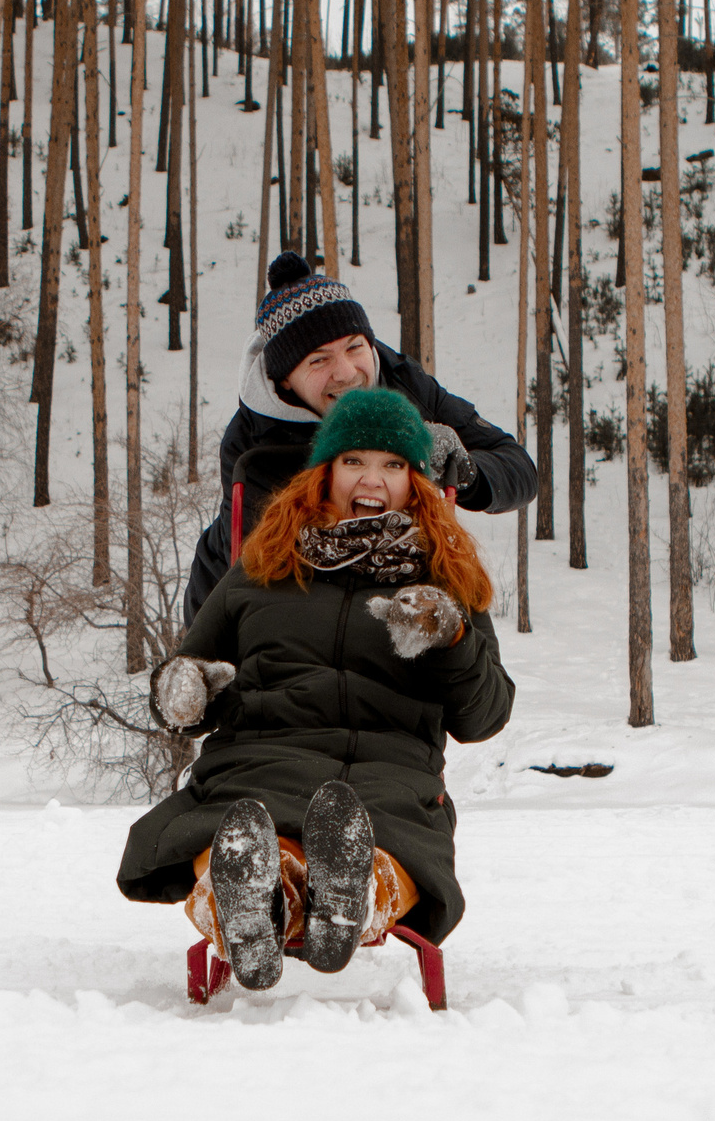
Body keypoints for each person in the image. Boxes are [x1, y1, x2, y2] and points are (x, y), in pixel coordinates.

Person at [119, 388, 515, 990]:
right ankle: (262, 895)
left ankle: (346, 893)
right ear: (324, 472)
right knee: (239, 835)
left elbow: (483, 717)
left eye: (393, 465)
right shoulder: (260, 566)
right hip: (258, 767)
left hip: (389, 781)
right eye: (354, 460)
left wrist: (451, 637)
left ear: (415, 482)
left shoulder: (446, 576)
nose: (373, 479)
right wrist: (185, 692)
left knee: (392, 849)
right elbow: (188, 678)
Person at [185, 252, 538, 619]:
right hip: (240, 596)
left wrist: (466, 472)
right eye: (319, 360)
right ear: (286, 379)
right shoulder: (254, 441)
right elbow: (272, 590)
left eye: (354, 346)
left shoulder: (403, 383)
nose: (347, 372)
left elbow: (519, 468)